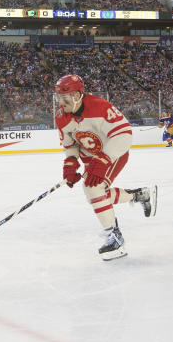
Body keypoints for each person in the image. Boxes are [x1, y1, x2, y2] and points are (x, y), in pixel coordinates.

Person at [55, 74, 157, 261]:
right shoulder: (61, 116)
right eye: (59, 97)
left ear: (77, 95)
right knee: (96, 195)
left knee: (92, 188)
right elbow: (70, 146)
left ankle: (114, 237)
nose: (61, 102)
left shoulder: (100, 106)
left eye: (65, 97)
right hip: (94, 159)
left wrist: (103, 160)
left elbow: (124, 135)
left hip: (113, 153)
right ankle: (139, 194)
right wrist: (70, 164)